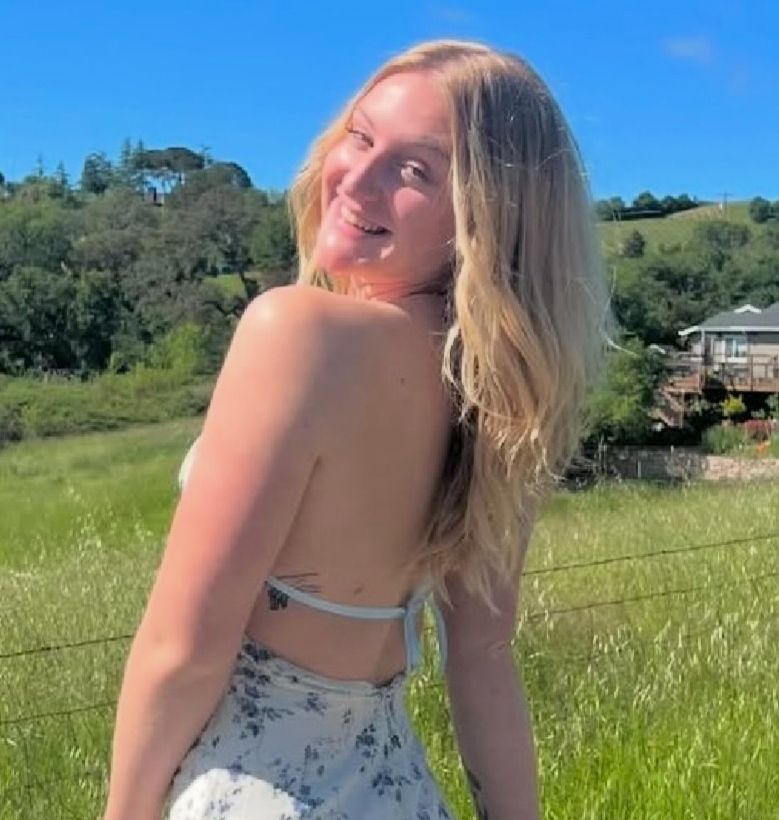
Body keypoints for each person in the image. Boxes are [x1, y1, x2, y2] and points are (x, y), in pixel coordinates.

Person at [103, 39, 607, 820]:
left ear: (485, 216)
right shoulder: (503, 395)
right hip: (399, 794)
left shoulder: (297, 333)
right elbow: (482, 657)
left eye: (415, 171)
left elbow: (183, 652)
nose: (356, 180)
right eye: (361, 137)